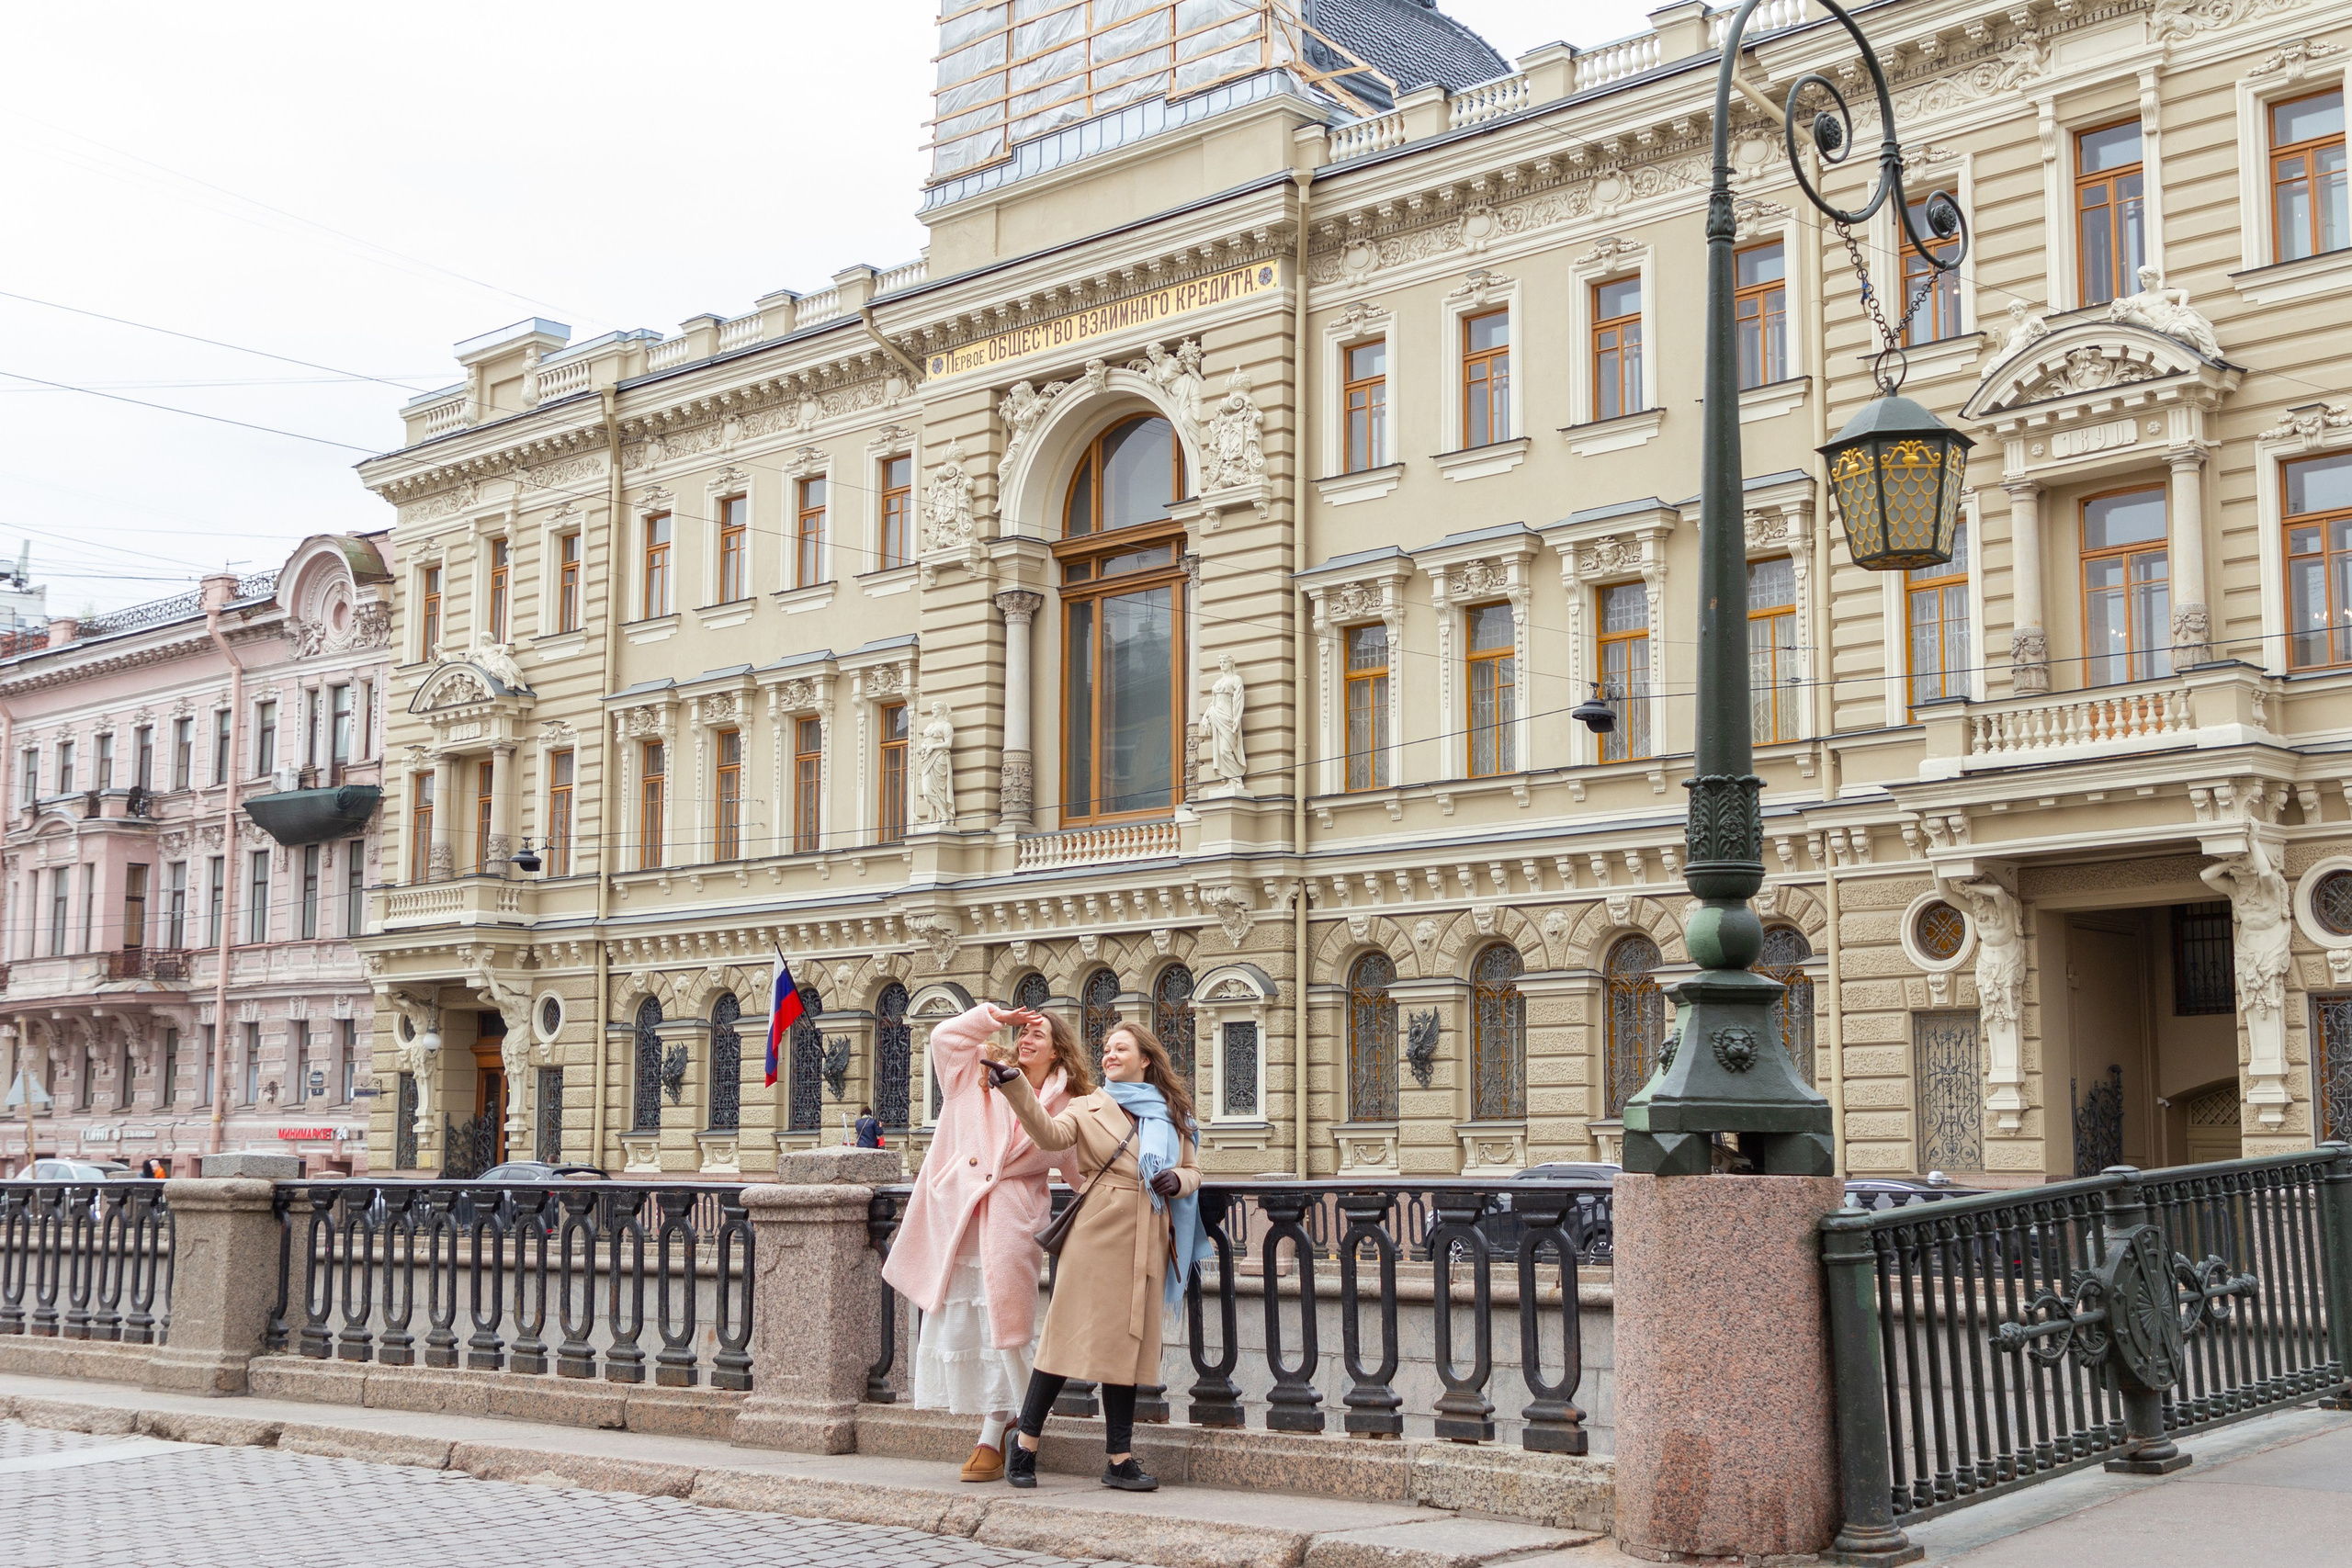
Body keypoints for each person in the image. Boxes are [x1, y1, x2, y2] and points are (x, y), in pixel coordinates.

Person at [988, 1020, 1206, 1493]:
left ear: (1145, 1059)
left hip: (1146, 1235)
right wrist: (1016, 1088)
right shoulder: (1087, 1107)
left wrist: (1178, 1181)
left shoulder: (1174, 1113)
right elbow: (1047, 1135)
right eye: (1105, 1049)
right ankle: (1024, 1446)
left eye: (1120, 1049)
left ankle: (1119, 1459)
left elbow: (1193, 1171)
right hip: (1096, 1233)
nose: (1108, 1055)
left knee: (1124, 1347)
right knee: (1063, 1339)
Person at [881, 1001, 1090, 1483]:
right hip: (960, 1214)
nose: (1026, 1039)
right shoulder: (978, 1072)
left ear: (1059, 1050)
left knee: (1007, 1329)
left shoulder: (1069, 1103)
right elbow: (943, 1038)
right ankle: (1005, 1425)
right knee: (965, 1321)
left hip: (1012, 1218)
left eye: (1038, 1034)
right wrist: (996, 1016)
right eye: (1024, 1032)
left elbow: (1082, 1173)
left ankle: (993, 1434)